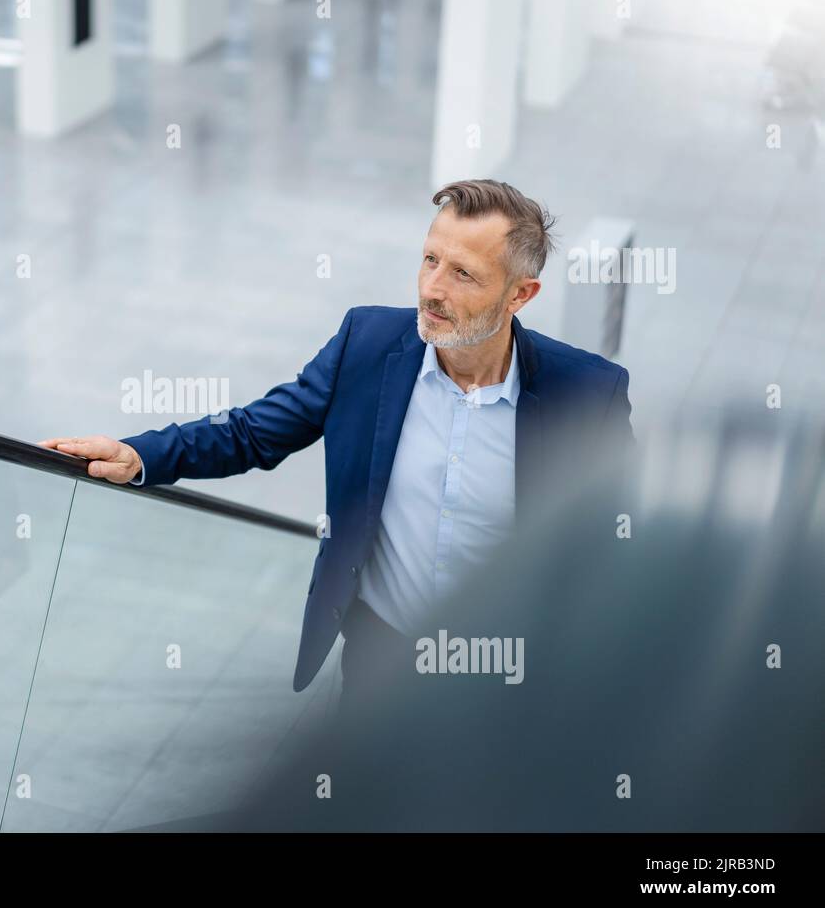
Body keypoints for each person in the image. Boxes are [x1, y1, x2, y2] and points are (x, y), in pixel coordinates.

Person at [39, 179, 633, 709]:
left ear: (519, 295)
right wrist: (143, 456)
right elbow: (253, 430)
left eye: (463, 274)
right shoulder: (368, 342)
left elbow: (619, 547)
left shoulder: (587, 394)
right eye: (429, 259)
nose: (431, 289)